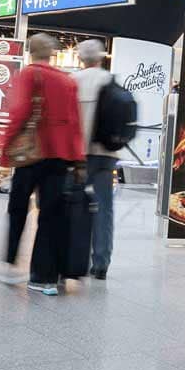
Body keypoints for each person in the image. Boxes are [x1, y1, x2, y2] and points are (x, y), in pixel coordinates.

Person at [0, 33, 85, 295]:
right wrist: (78, 158)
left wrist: (6, 149)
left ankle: (10, 262)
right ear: (52, 53)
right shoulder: (67, 81)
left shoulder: (29, 75)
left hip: (31, 155)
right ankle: (43, 277)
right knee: (50, 215)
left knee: (17, 209)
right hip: (60, 156)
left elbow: (20, 113)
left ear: (30, 51)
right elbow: (75, 122)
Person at [72, 39, 116, 280]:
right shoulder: (110, 80)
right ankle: (101, 263)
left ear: (81, 58)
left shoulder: (73, 82)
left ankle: (72, 258)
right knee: (104, 209)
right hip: (107, 154)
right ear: (101, 57)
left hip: (78, 154)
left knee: (73, 205)